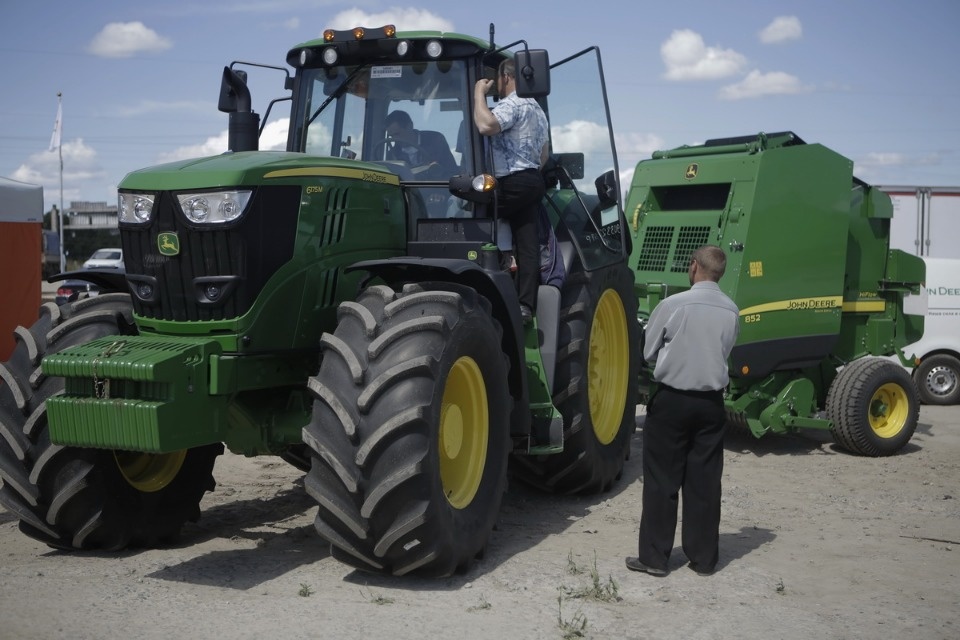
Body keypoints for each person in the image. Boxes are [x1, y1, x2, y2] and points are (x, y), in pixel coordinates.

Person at [626, 245, 740, 577]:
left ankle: (655, 559)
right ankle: (703, 560)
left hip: (673, 400)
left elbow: (648, 352)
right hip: (711, 405)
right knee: (705, 482)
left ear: (694, 267)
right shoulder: (732, 310)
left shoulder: (673, 305)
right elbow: (726, 350)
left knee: (662, 480)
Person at [473, 58, 549, 322]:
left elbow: (486, 126)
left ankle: (498, 264)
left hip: (511, 180)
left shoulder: (512, 104)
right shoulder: (538, 110)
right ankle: (525, 305)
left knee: (470, 210)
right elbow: (544, 155)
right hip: (532, 180)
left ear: (506, 78)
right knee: (528, 245)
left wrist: (478, 93)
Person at [383, 110, 458, 177]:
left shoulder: (435, 141)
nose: (395, 139)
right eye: (391, 136)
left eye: (397, 134)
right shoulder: (392, 154)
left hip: (436, 188)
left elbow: (451, 171)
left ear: (410, 126)